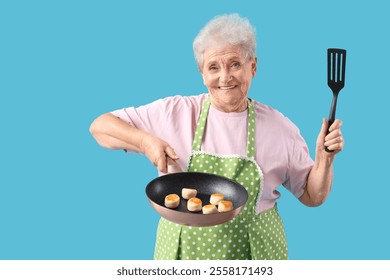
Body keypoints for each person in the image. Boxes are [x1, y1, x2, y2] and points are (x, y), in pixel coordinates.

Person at [89, 14, 344, 260]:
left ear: (252, 66)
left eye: (235, 64)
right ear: (202, 73)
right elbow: (100, 127)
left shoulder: (281, 128)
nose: (225, 77)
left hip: (254, 257)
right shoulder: (174, 113)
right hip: (183, 257)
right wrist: (146, 142)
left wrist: (324, 159)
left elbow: (313, 196)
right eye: (213, 67)